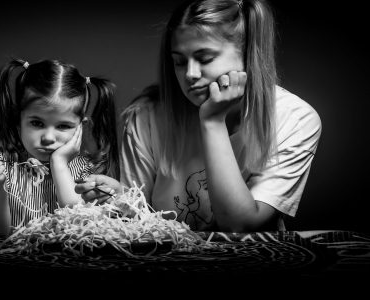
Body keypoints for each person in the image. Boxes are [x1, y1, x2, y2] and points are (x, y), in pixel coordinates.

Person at [75, 0, 322, 232]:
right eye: (179, 62)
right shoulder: (145, 117)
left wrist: (213, 122)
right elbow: (139, 222)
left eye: (205, 58)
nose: (190, 74)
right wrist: (119, 197)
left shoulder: (296, 118)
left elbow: (240, 226)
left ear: (248, 55)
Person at [0, 58, 119, 236]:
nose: (49, 138)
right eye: (37, 123)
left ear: (81, 127)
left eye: (63, 126)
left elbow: (78, 225)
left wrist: (59, 163)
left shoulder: (85, 168)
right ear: (17, 120)